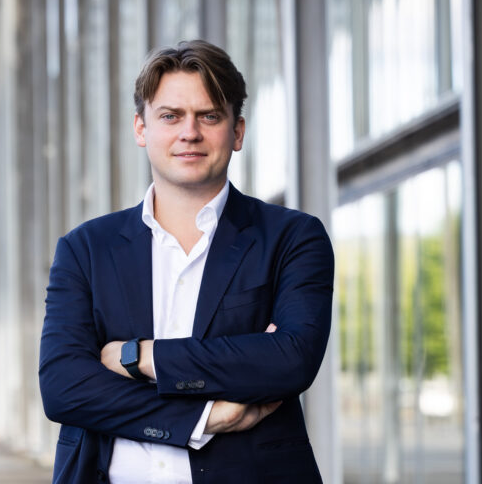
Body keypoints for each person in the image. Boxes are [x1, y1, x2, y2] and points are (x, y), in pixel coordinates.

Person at [39, 40, 334, 483]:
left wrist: (140, 357)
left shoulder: (292, 238)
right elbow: (64, 388)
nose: (189, 132)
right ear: (141, 129)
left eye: (209, 116)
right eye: (170, 116)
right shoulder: (86, 249)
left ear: (237, 132)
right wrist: (204, 417)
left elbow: (291, 359)